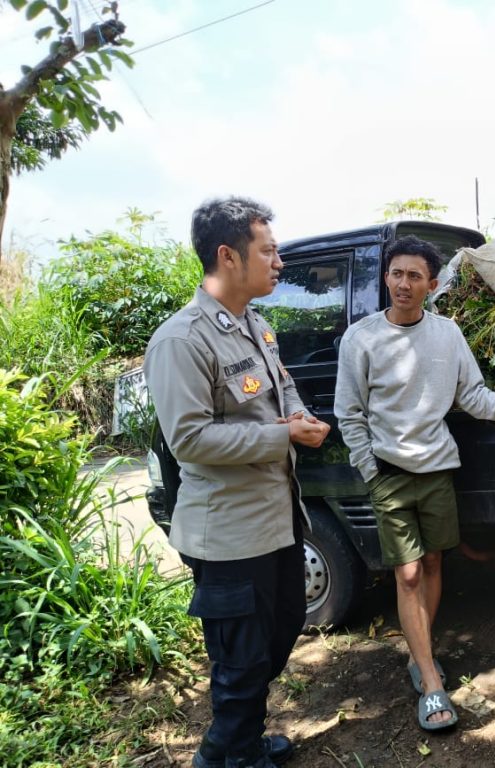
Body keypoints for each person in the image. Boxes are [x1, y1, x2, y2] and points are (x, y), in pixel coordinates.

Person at [334, 235, 495, 731]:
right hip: (389, 474)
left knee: (435, 561)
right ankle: (433, 687)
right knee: (409, 573)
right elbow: (348, 414)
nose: (403, 283)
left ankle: (422, 654)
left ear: (431, 285)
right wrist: (371, 469)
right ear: (386, 278)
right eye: (396, 273)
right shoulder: (361, 338)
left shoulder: (447, 335)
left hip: (437, 469)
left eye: (414, 276)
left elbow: (476, 399)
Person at [145, 197, 330, 768]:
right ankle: (228, 753)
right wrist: (285, 438)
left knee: (280, 633)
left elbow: (285, 391)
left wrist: (302, 418)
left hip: (276, 519)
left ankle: (237, 741)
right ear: (228, 256)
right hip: (228, 534)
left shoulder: (258, 327)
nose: (278, 262)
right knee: (242, 659)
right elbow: (191, 441)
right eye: (268, 251)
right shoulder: (182, 340)